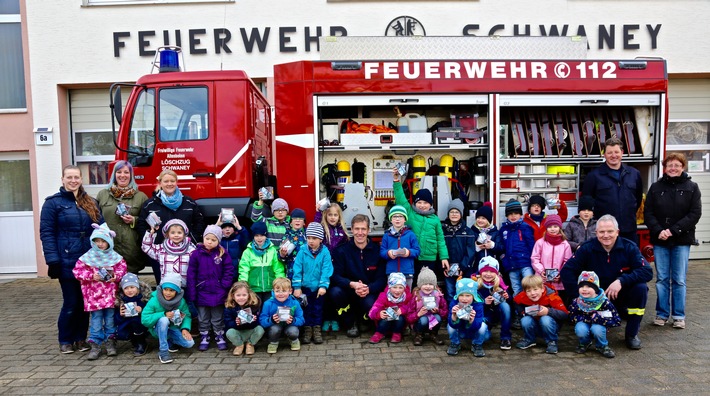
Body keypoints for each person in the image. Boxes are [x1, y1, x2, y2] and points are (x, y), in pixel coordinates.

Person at [561, 214, 653, 350]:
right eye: (602, 232)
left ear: (617, 232)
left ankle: (631, 334)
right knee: (589, 331)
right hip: (595, 298)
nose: (606, 235)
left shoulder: (629, 247)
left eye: (610, 231)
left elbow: (647, 271)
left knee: (640, 289)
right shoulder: (587, 248)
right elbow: (566, 271)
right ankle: (590, 329)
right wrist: (578, 296)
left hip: (620, 293)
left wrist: (622, 281)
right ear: (596, 232)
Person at [40, 165, 104, 354]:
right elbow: (47, 233)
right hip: (66, 259)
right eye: (69, 177)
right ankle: (65, 339)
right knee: (71, 302)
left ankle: (80, 339)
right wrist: (52, 260)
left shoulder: (90, 202)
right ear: (63, 179)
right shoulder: (53, 204)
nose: (73, 180)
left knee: (85, 302)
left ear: (81, 179)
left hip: (88, 260)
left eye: (76, 177)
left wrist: (104, 256)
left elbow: (101, 229)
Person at [644, 152, 702, 329]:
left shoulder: (692, 187)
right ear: (665, 167)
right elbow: (648, 213)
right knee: (662, 279)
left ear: (683, 167)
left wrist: (673, 230)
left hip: (681, 239)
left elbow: (695, 214)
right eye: (670, 165)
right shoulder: (655, 187)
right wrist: (659, 230)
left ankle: (678, 316)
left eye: (677, 165)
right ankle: (661, 315)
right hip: (660, 240)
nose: (673, 168)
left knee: (678, 279)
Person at [137, 169, 205, 283]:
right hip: (160, 253)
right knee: (164, 286)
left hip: (185, 252)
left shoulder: (189, 202)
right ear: (160, 183)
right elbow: (141, 224)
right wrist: (151, 239)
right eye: (166, 181)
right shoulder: (150, 204)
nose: (169, 184)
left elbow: (199, 222)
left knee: (187, 284)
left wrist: (193, 239)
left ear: (176, 182)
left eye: (172, 181)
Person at [72, 223, 127, 360]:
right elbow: (77, 272)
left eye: (103, 241)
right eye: (97, 241)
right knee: (96, 320)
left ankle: (110, 342)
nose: (100, 244)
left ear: (109, 242)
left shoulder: (115, 257)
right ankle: (95, 344)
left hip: (110, 296)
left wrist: (116, 277)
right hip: (94, 297)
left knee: (110, 319)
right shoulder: (87, 257)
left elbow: (123, 268)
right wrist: (91, 276)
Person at [329, 214, 387, 338]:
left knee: (370, 304)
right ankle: (350, 323)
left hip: (369, 292)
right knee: (335, 292)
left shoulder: (378, 251)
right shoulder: (341, 251)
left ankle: (364, 320)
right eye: (356, 229)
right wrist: (352, 284)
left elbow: (382, 279)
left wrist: (369, 288)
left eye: (363, 229)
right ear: (351, 230)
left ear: (369, 230)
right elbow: (335, 276)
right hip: (349, 290)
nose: (360, 233)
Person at [392, 169, 449, 284]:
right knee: (413, 284)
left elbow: (440, 240)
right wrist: (396, 181)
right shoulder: (410, 213)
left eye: (425, 203)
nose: (422, 205)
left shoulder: (435, 219)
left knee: (427, 285)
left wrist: (444, 257)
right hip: (413, 257)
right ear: (415, 203)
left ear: (430, 204)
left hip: (430, 258)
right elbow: (400, 198)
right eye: (419, 202)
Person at [582, 137, 643, 243]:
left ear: (622, 152)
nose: (613, 155)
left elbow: (637, 199)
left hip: (629, 229)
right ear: (604, 154)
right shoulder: (594, 176)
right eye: (609, 153)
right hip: (605, 232)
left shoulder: (634, 174)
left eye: (616, 152)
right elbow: (587, 202)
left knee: (629, 259)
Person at [96, 160, 149, 274]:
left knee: (130, 288)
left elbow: (147, 223)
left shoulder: (141, 197)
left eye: (126, 172)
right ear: (114, 174)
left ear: (131, 175)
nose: (122, 175)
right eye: (119, 172)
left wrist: (134, 220)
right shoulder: (103, 194)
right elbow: (96, 219)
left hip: (131, 251)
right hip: (108, 251)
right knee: (110, 288)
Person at [186, 225, 234, 351]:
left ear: (218, 241)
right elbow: (191, 274)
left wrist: (224, 285)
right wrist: (192, 292)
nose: (210, 242)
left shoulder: (223, 254)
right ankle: (204, 336)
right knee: (203, 317)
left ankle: (219, 335)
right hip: (202, 291)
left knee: (217, 316)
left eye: (213, 240)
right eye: (208, 239)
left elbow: (229, 271)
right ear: (203, 238)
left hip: (218, 291)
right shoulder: (196, 254)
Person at [495, 198, 535, 329]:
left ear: (521, 214)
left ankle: (532, 313)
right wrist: (504, 259)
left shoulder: (525, 227)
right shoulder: (504, 229)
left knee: (529, 288)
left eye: (516, 213)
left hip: (525, 264)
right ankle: (519, 314)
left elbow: (532, 245)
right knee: (516, 290)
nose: (513, 216)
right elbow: (501, 247)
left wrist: (532, 261)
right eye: (510, 214)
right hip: (511, 266)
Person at [141, 272, 195, 364]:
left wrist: (185, 329)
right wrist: (163, 314)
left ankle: (169, 341)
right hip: (157, 329)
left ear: (177, 291)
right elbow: (144, 319)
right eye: (165, 289)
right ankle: (163, 351)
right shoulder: (154, 300)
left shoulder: (181, 301)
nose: (168, 293)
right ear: (162, 289)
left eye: (171, 290)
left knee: (189, 343)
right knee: (164, 320)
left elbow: (186, 315)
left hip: (173, 328)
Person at [292, 222, 333, 344]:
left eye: (314, 238)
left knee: (318, 309)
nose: (311, 241)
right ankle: (307, 330)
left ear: (320, 239)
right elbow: (297, 269)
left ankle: (317, 329)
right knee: (306, 309)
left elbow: (327, 269)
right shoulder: (302, 251)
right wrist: (297, 286)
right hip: (305, 288)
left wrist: (323, 286)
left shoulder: (325, 252)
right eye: (308, 238)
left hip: (318, 289)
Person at [315, 201, 350, 333]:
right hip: (324, 269)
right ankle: (326, 319)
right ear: (326, 215)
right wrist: (318, 212)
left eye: (335, 215)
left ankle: (335, 319)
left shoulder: (342, 232)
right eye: (330, 214)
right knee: (324, 294)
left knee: (334, 294)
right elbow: (315, 225)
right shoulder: (323, 229)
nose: (332, 217)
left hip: (337, 269)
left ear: (339, 216)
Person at [568, 271, 621, 358]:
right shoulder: (577, 301)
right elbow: (572, 316)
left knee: (597, 329)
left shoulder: (604, 302)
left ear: (596, 288)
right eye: (581, 286)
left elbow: (615, 319)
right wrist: (584, 318)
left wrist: (599, 318)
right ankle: (584, 343)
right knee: (580, 329)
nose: (584, 289)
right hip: (583, 322)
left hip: (599, 323)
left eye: (589, 287)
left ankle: (602, 345)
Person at [513, 274, 569, 354]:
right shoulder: (522, 296)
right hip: (534, 323)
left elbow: (564, 314)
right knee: (525, 320)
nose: (532, 293)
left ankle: (551, 341)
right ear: (525, 292)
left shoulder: (552, 296)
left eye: (535, 289)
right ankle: (529, 339)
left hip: (551, 325)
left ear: (542, 289)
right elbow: (516, 301)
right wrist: (523, 312)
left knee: (545, 319)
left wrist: (548, 311)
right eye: (529, 291)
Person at [238, 221, 286, 304]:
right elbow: (244, 269)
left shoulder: (272, 250)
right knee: (255, 310)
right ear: (253, 237)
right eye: (256, 236)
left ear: (266, 236)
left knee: (269, 309)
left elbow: (278, 268)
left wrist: (280, 283)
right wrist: (243, 285)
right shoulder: (248, 251)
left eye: (262, 235)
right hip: (254, 288)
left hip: (270, 287)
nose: (259, 238)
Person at [530, 214, 572, 302]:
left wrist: (561, 273)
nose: (552, 229)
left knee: (558, 304)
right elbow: (535, 259)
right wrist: (541, 271)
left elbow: (567, 261)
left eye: (555, 226)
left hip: (559, 283)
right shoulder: (540, 243)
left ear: (560, 228)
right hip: (542, 281)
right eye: (550, 227)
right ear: (546, 228)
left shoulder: (565, 244)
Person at [142, 219, 196, 286]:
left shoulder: (190, 249)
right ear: (167, 234)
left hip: (184, 286)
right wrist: (150, 234)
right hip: (167, 287)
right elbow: (146, 247)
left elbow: (199, 263)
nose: (176, 235)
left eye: (179, 233)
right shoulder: (162, 249)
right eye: (172, 233)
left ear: (184, 234)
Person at [259, 277, 305, 354]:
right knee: (274, 330)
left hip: (290, 325)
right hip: (275, 325)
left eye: (284, 291)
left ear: (290, 291)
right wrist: (271, 320)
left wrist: (293, 320)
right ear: (273, 291)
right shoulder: (268, 303)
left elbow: (301, 319)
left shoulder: (295, 302)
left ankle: (293, 340)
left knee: (293, 331)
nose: (280, 294)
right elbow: (262, 321)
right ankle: (273, 342)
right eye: (277, 291)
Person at [442, 199, 476, 302]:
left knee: (464, 293)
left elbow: (470, 252)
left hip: (463, 269)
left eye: (457, 212)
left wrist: (463, 267)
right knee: (450, 293)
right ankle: (451, 316)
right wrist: (444, 267)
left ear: (461, 214)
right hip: (448, 269)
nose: (454, 214)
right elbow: (441, 249)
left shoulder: (468, 231)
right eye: (451, 212)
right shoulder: (443, 231)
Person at [475, 257, 512, 351]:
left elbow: (510, 300)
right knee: (485, 337)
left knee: (506, 306)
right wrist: (484, 303)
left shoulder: (500, 283)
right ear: (480, 271)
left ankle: (506, 337)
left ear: (496, 273)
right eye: (485, 271)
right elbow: (471, 306)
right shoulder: (474, 284)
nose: (488, 274)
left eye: (491, 271)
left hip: (496, 313)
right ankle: (481, 331)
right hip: (482, 315)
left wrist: (507, 297)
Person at [380, 205, 420, 289]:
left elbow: (417, 251)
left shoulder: (410, 234)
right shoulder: (387, 235)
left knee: (407, 294)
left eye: (400, 216)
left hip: (407, 272)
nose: (397, 219)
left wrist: (408, 252)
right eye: (394, 216)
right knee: (393, 293)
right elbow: (382, 252)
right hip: (392, 272)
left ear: (405, 219)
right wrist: (389, 253)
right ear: (391, 219)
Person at [446, 278, 487, 357]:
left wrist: (472, 321)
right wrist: (454, 317)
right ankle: (455, 343)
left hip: (473, 331)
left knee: (483, 326)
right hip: (460, 330)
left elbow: (478, 324)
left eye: (468, 296)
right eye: (461, 295)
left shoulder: (478, 305)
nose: (464, 299)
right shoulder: (454, 303)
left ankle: (477, 344)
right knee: (449, 325)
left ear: (473, 296)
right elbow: (452, 325)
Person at [368, 272, 413, 344]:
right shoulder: (383, 296)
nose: (397, 290)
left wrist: (402, 310)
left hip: (399, 324)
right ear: (389, 287)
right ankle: (379, 333)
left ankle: (397, 333)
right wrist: (379, 314)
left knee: (400, 318)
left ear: (404, 288)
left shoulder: (408, 296)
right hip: (385, 322)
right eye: (394, 287)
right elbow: (373, 310)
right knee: (385, 318)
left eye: (400, 287)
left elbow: (411, 307)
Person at [407, 268, 448, 346]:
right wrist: (418, 314)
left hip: (433, 318)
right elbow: (408, 317)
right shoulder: (416, 296)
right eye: (425, 284)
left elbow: (445, 312)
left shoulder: (438, 295)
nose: (428, 286)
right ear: (419, 285)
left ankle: (433, 334)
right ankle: (419, 335)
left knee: (438, 317)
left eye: (431, 284)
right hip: (419, 321)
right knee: (424, 319)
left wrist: (438, 311)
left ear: (435, 285)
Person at [114, 272, 152, 357]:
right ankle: (133, 340)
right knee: (120, 334)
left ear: (138, 288)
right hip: (126, 325)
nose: (129, 290)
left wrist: (142, 310)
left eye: (132, 287)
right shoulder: (121, 301)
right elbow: (116, 320)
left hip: (141, 325)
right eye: (126, 288)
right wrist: (120, 314)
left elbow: (150, 313)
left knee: (136, 323)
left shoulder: (144, 299)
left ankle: (141, 343)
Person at [224, 282, 265, 356]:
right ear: (233, 296)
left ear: (248, 295)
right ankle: (239, 345)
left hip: (250, 331)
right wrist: (236, 323)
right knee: (229, 332)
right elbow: (227, 323)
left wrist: (254, 320)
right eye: (238, 295)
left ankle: (250, 344)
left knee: (260, 329)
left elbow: (259, 322)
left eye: (244, 295)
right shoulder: (229, 308)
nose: (241, 298)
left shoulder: (253, 306)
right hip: (238, 332)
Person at [217, 214, 249, 282]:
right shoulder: (218, 239)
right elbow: (210, 236)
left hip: (235, 273)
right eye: (225, 227)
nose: (227, 229)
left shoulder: (238, 237)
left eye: (230, 227)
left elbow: (246, 242)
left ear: (234, 229)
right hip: (222, 273)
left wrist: (238, 226)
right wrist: (217, 225)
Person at [470, 202, 499, 276]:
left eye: (483, 218)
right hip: (476, 266)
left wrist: (492, 245)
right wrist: (476, 248)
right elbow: (467, 249)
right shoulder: (472, 232)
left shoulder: (495, 232)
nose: (480, 220)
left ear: (489, 220)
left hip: (492, 267)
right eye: (478, 218)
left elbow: (501, 248)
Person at [279, 208, 307, 279]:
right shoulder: (287, 236)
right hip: (292, 271)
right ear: (291, 222)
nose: (297, 220)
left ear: (304, 222)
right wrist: (282, 254)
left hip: (306, 271)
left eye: (300, 219)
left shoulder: (308, 235)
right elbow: (281, 257)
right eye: (295, 219)